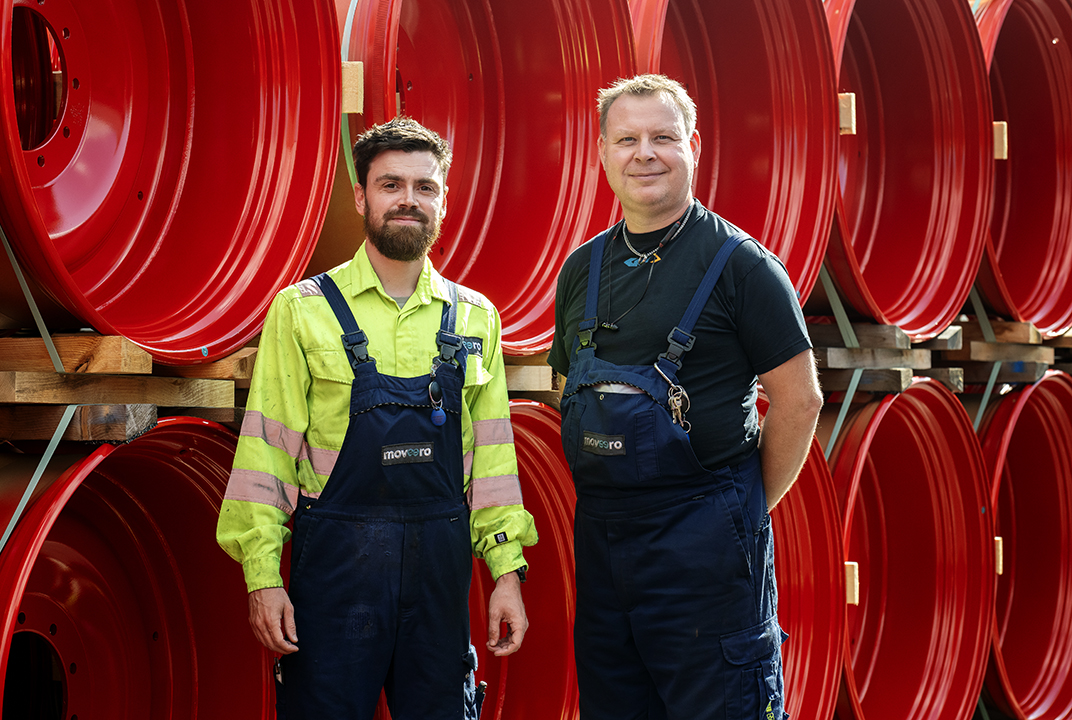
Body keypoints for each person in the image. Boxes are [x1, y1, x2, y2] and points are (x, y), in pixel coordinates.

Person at [217, 117, 538, 720]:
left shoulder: (475, 318)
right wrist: (263, 575)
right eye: (391, 185)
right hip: (337, 579)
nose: (409, 200)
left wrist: (505, 572)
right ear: (361, 197)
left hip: (440, 586)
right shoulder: (302, 311)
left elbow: (493, 463)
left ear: (442, 200)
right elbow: (266, 453)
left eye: (425, 186)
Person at [547, 74, 822, 720]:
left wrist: (741, 508)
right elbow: (567, 389)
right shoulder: (580, 269)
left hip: (707, 548)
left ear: (694, 145)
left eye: (663, 137)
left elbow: (800, 400)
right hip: (605, 546)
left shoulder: (743, 266)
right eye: (628, 139)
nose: (645, 153)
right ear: (602, 153)